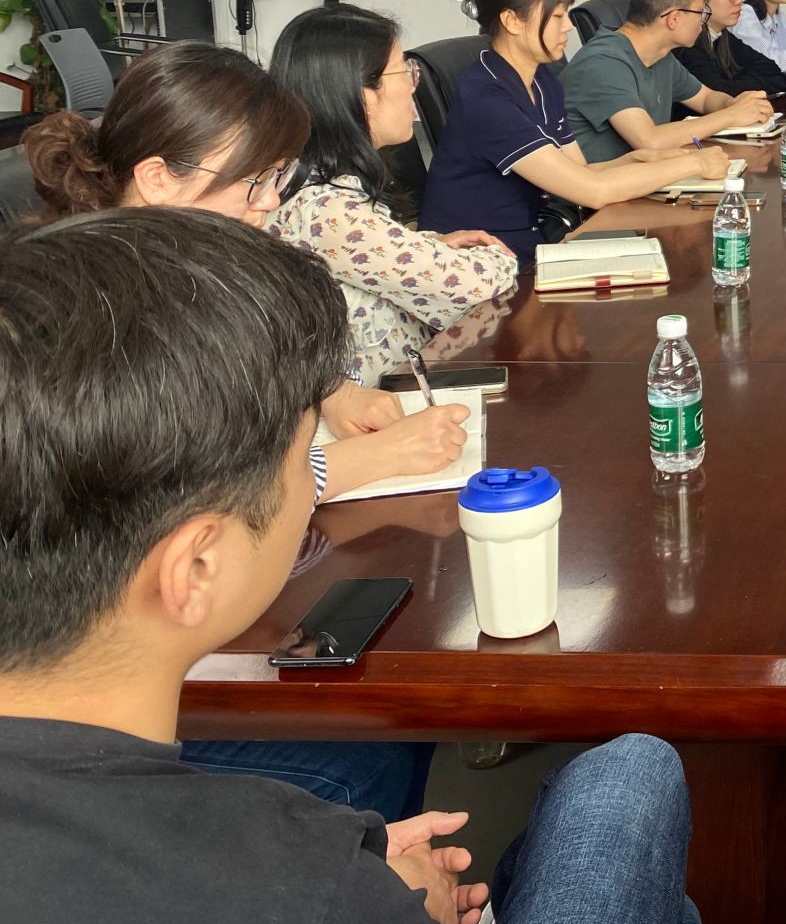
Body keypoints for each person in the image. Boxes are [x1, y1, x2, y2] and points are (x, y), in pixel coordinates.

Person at [0, 208, 702, 924]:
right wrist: (377, 892)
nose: (315, 476)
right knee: (633, 773)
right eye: (306, 455)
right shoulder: (309, 877)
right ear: (197, 568)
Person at [20, 42, 469, 504]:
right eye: (254, 179)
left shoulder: (189, 260)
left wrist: (332, 392)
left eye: (277, 175)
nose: (270, 200)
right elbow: (197, 498)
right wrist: (379, 455)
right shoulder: (111, 315)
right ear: (158, 178)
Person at [419, 0, 729, 267]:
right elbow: (592, 190)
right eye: (556, 16)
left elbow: (580, 171)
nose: (567, 25)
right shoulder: (488, 99)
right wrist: (694, 165)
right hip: (478, 263)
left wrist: (639, 158)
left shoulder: (542, 80)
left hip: (529, 243)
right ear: (512, 20)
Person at [268, 3, 520, 384]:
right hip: (390, 405)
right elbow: (480, 283)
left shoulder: (318, 186)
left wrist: (427, 246)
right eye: (405, 71)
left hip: (409, 387)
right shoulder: (327, 210)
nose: (412, 85)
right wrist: (485, 256)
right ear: (362, 93)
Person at [561, 0, 776, 164]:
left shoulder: (661, 56)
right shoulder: (604, 62)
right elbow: (649, 141)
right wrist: (731, 115)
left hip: (645, 177)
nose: (704, 20)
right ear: (674, 18)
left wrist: (733, 104)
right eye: (701, 11)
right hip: (601, 185)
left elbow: (705, 99)